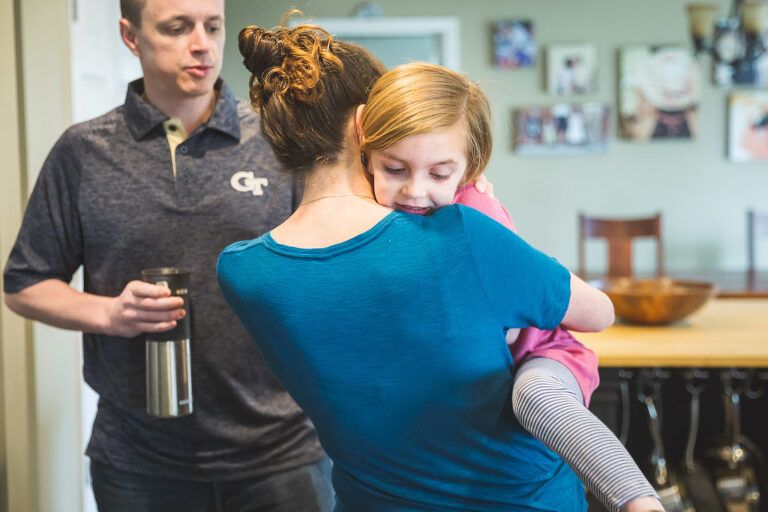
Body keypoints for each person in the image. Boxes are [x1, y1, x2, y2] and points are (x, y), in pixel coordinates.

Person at [219, 22, 616, 511]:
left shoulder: (242, 273)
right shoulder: (460, 236)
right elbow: (598, 313)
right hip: (518, 499)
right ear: (367, 124)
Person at [3, 1, 331, 510]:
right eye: (177, 28)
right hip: (138, 461)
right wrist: (109, 314)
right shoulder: (83, 152)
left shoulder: (278, 142)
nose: (201, 44)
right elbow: (24, 284)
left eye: (212, 26)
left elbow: (332, 268)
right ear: (130, 36)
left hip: (282, 453)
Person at [357, 62, 662, 512]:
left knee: (536, 398)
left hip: (543, 351)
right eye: (395, 168)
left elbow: (508, 329)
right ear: (366, 151)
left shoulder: (477, 213)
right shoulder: (365, 207)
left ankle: (639, 501)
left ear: (470, 166)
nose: (415, 191)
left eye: (439, 175)